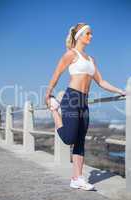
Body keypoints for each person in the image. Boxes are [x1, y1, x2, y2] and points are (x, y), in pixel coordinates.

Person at [45, 22, 126, 190]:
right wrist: (48, 94)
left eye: (91, 33)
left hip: (84, 101)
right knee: (68, 139)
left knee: (80, 140)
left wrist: (122, 91)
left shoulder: (91, 59)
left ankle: (77, 178)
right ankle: (54, 110)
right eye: (88, 33)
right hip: (72, 98)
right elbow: (56, 73)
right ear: (79, 36)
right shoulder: (71, 54)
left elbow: (101, 81)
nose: (91, 36)